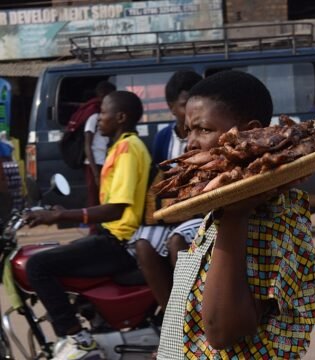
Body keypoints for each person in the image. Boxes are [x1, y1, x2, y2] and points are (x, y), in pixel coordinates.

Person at [156, 71, 315, 359]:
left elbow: (221, 331)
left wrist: (234, 218)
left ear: (250, 134)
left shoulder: (266, 216)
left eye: (203, 129)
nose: (190, 143)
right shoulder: (228, 207)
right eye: (187, 130)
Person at [25, 90, 151, 360]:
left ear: (120, 117)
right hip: (111, 237)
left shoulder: (128, 149)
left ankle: (77, 338)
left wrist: (61, 217)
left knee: (37, 265)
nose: (99, 119)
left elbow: (116, 208)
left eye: (103, 113)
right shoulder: (120, 146)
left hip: (119, 242)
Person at [127, 70, 203, 311]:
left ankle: (192, 317)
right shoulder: (162, 138)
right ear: (172, 108)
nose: (190, 111)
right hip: (173, 213)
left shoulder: (206, 134)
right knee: (142, 244)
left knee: (176, 242)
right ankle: (171, 317)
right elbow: (160, 181)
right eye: (183, 106)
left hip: (201, 212)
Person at [83, 81, 116, 235]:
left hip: (105, 161)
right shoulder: (94, 118)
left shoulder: (110, 118)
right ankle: (93, 228)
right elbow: (87, 145)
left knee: (105, 195)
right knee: (93, 197)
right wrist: (95, 172)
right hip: (93, 163)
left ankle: (102, 226)